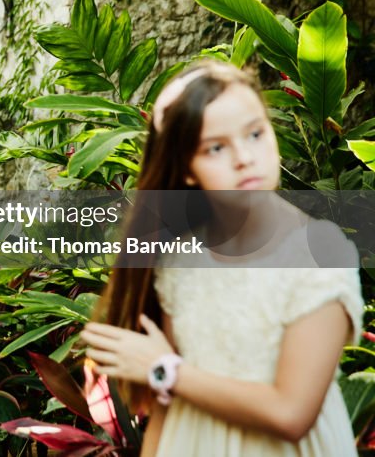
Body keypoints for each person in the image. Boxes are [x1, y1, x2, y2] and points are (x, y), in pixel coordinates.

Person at [81, 61, 362, 456]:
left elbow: (292, 415)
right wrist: (166, 376)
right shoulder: (181, 261)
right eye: (216, 147)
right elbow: (166, 408)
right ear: (187, 169)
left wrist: (166, 371)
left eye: (255, 133)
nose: (244, 157)